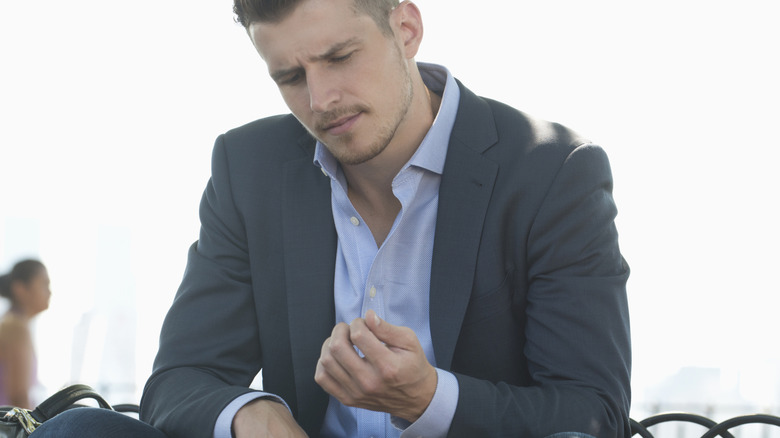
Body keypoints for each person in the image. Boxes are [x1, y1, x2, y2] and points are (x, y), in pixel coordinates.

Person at [35, 0, 631, 437]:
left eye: (340, 57)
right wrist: (250, 413)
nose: (320, 101)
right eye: (290, 77)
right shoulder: (250, 167)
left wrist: (429, 399)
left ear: (406, 27)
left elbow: (591, 412)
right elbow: (180, 379)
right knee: (78, 432)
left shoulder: (551, 171)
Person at [0, 259, 51, 409]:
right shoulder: (15, 326)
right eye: (44, 284)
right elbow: (19, 396)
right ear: (20, 288)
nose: (50, 292)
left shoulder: (12, 322)